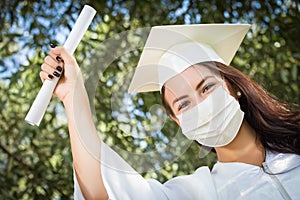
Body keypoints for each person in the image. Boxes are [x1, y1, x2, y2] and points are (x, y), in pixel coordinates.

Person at [40, 24, 300, 199]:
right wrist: (73, 93)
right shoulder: (197, 193)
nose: (200, 106)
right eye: (184, 104)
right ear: (178, 121)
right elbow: (103, 191)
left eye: (207, 87)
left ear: (234, 87)